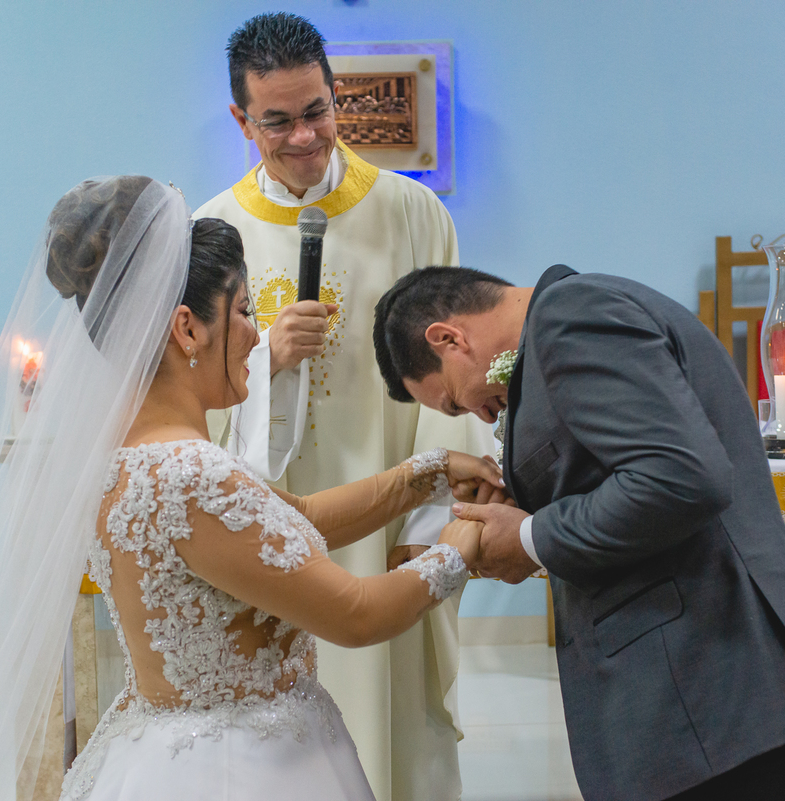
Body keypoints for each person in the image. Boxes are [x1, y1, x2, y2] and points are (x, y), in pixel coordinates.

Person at [0, 177, 500, 801]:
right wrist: (462, 546)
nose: (256, 336)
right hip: (243, 767)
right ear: (187, 327)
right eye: (243, 311)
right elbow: (355, 615)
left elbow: (298, 517)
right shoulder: (193, 474)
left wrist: (424, 475)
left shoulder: (125, 460)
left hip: (161, 749)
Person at [372, 265, 785, 801]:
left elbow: (681, 477)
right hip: (702, 696)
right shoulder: (564, 327)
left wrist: (529, 538)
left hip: (711, 687)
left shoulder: (571, 316)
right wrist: (518, 512)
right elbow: (626, 481)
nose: (476, 413)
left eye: (454, 400)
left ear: (449, 339)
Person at [193, 13, 495, 801]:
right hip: (269, 529)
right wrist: (263, 361)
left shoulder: (413, 214)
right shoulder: (211, 233)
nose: (304, 137)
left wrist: (429, 526)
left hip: (388, 524)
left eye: (317, 111)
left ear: (337, 97)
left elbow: (455, 376)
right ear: (242, 120)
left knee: (390, 725)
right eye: (277, 121)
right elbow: (189, 391)